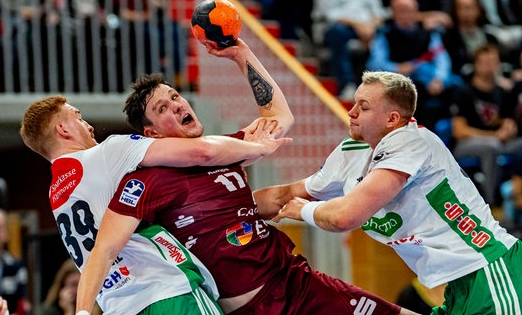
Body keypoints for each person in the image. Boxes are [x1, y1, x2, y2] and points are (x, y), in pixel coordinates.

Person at [107, 40, 415, 314]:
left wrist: (242, 54)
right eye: (164, 108)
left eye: (176, 97)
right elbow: (110, 245)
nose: (177, 106)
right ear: (152, 133)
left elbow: (280, 118)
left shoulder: (226, 149)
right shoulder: (149, 180)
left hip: (295, 281)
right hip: (253, 307)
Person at [257, 70, 522, 314]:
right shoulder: (353, 151)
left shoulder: (412, 141)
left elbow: (345, 217)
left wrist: (303, 210)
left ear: (392, 119)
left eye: (364, 107)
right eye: (354, 103)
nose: (351, 113)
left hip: (490, 269)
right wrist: (226, 206)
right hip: (458, 286)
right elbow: (286, 194)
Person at [19, 93, 288, 315]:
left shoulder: (58, 195)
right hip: (168, 293)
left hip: (120, 306)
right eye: (79, 117)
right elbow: (202, 152)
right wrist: (258, 148)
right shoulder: (105, 153)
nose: (89, 125)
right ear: (63, 129)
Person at [366, 0, 460, 131]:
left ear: (416, 12)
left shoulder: (429, 33)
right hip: (401, 85)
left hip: (429, 83)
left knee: (457, 88)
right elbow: (374, 63)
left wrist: (439, 79)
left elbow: (442, 59)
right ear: (393, 12)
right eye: (401, 10)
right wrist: (396, 68)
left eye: (409, 10)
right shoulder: (385, 34)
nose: (405, 14)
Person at [450, 43, 522, 205]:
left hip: (498, 141)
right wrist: (494, 135)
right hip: (466, 144)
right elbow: (459, 131)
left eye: (493, 62)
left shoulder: (502, 92)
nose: (490, 67)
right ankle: (490, 204)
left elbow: (504, 119)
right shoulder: (463, 91)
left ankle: (515, 198)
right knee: (492, 147)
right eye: (485, 62)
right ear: (476, 64)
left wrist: (508, 127)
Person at [311, 0, 387, 99]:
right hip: (339, 27)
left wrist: (370, 28)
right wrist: (358, 26)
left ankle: (381, 88)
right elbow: (330, 15)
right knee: (337, 33)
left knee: (387, 32)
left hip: (368, 28)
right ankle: (346, 85)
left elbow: (379, 13)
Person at [442, 0, 500, 79]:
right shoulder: (449, 39)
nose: (465, 11)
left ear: (478, 9)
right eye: (460, 7)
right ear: (455, 10)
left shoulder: (490, 37)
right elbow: (455, 68)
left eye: (469, 7)